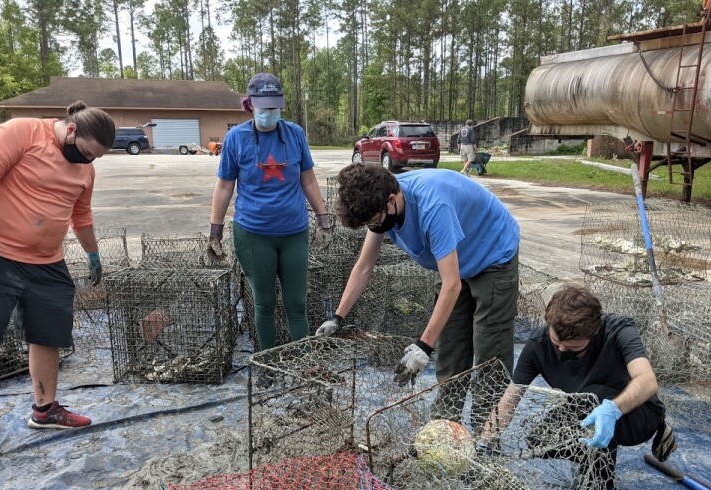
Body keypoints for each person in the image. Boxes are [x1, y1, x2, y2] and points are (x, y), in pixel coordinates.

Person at [0, 101, 114, 462]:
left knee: (49, 335)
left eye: (95, 159)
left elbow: (81, 214)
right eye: (86, 153)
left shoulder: (84, 169)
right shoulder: (21, 133)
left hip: (48, 263)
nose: (87, 162)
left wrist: (93, 255)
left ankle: (45, 410)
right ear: (71, 130)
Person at [317, 165, 520, 428]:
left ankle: (486, 436)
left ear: (392, 200)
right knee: (451, 350)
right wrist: (337, 317)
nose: (373, 227)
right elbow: (364, 266)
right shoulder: (379, 199)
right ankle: (445, 430)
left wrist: (423, 347)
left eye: (373, 222)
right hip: (456, 262)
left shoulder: (433, 206)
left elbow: (451, 285)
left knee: (489, 354)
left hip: (492, 253)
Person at [480, 285, 678, 490]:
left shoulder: (619, 330)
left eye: (573, 347)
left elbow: (647, 381)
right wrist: (484, 440)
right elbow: (510, 399)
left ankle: (602, 486)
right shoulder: (537, 344)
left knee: (592, 399)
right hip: (584, 410)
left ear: (593, 332)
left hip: (637, 414)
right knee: (540, 439)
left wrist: (613, 409)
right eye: (557, 343)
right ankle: (591, 461)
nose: (563, 350)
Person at [206, 73, 331, 352]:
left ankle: (304, 363)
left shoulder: (295, 134)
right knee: (264, 304)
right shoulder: (236, 139)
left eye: (274, 108)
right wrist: (214, 231)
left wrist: (323, 220)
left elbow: (308, 179)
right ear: (250, 105)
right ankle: (268, 363)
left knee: (297, 304)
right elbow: (225, 186)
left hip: (294, 232)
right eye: (263, 108)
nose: (269, 113)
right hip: (254, 234)